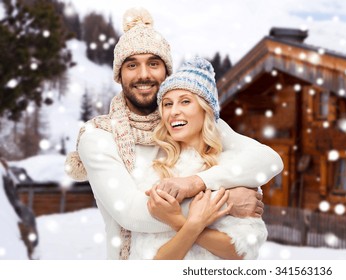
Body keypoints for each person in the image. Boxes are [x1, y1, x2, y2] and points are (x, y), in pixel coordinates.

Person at [65, 7, 283, 260]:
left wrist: (196, 184)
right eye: (132, 65)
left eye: (154, 63)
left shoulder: (187, 123)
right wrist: (227, 201)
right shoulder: (99, 137)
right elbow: (133, 213)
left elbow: (268, 160)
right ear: (119, 75)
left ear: (166, 71)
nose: (144, 74)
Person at [130, 57, 267, 259]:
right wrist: (194, 222)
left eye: (185, 101)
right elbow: (153, 262)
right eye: (167, 104)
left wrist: (178, 222)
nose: (174, 112)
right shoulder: (155, 171)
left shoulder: (233, 168)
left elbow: (241, 252)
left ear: (206, 110)